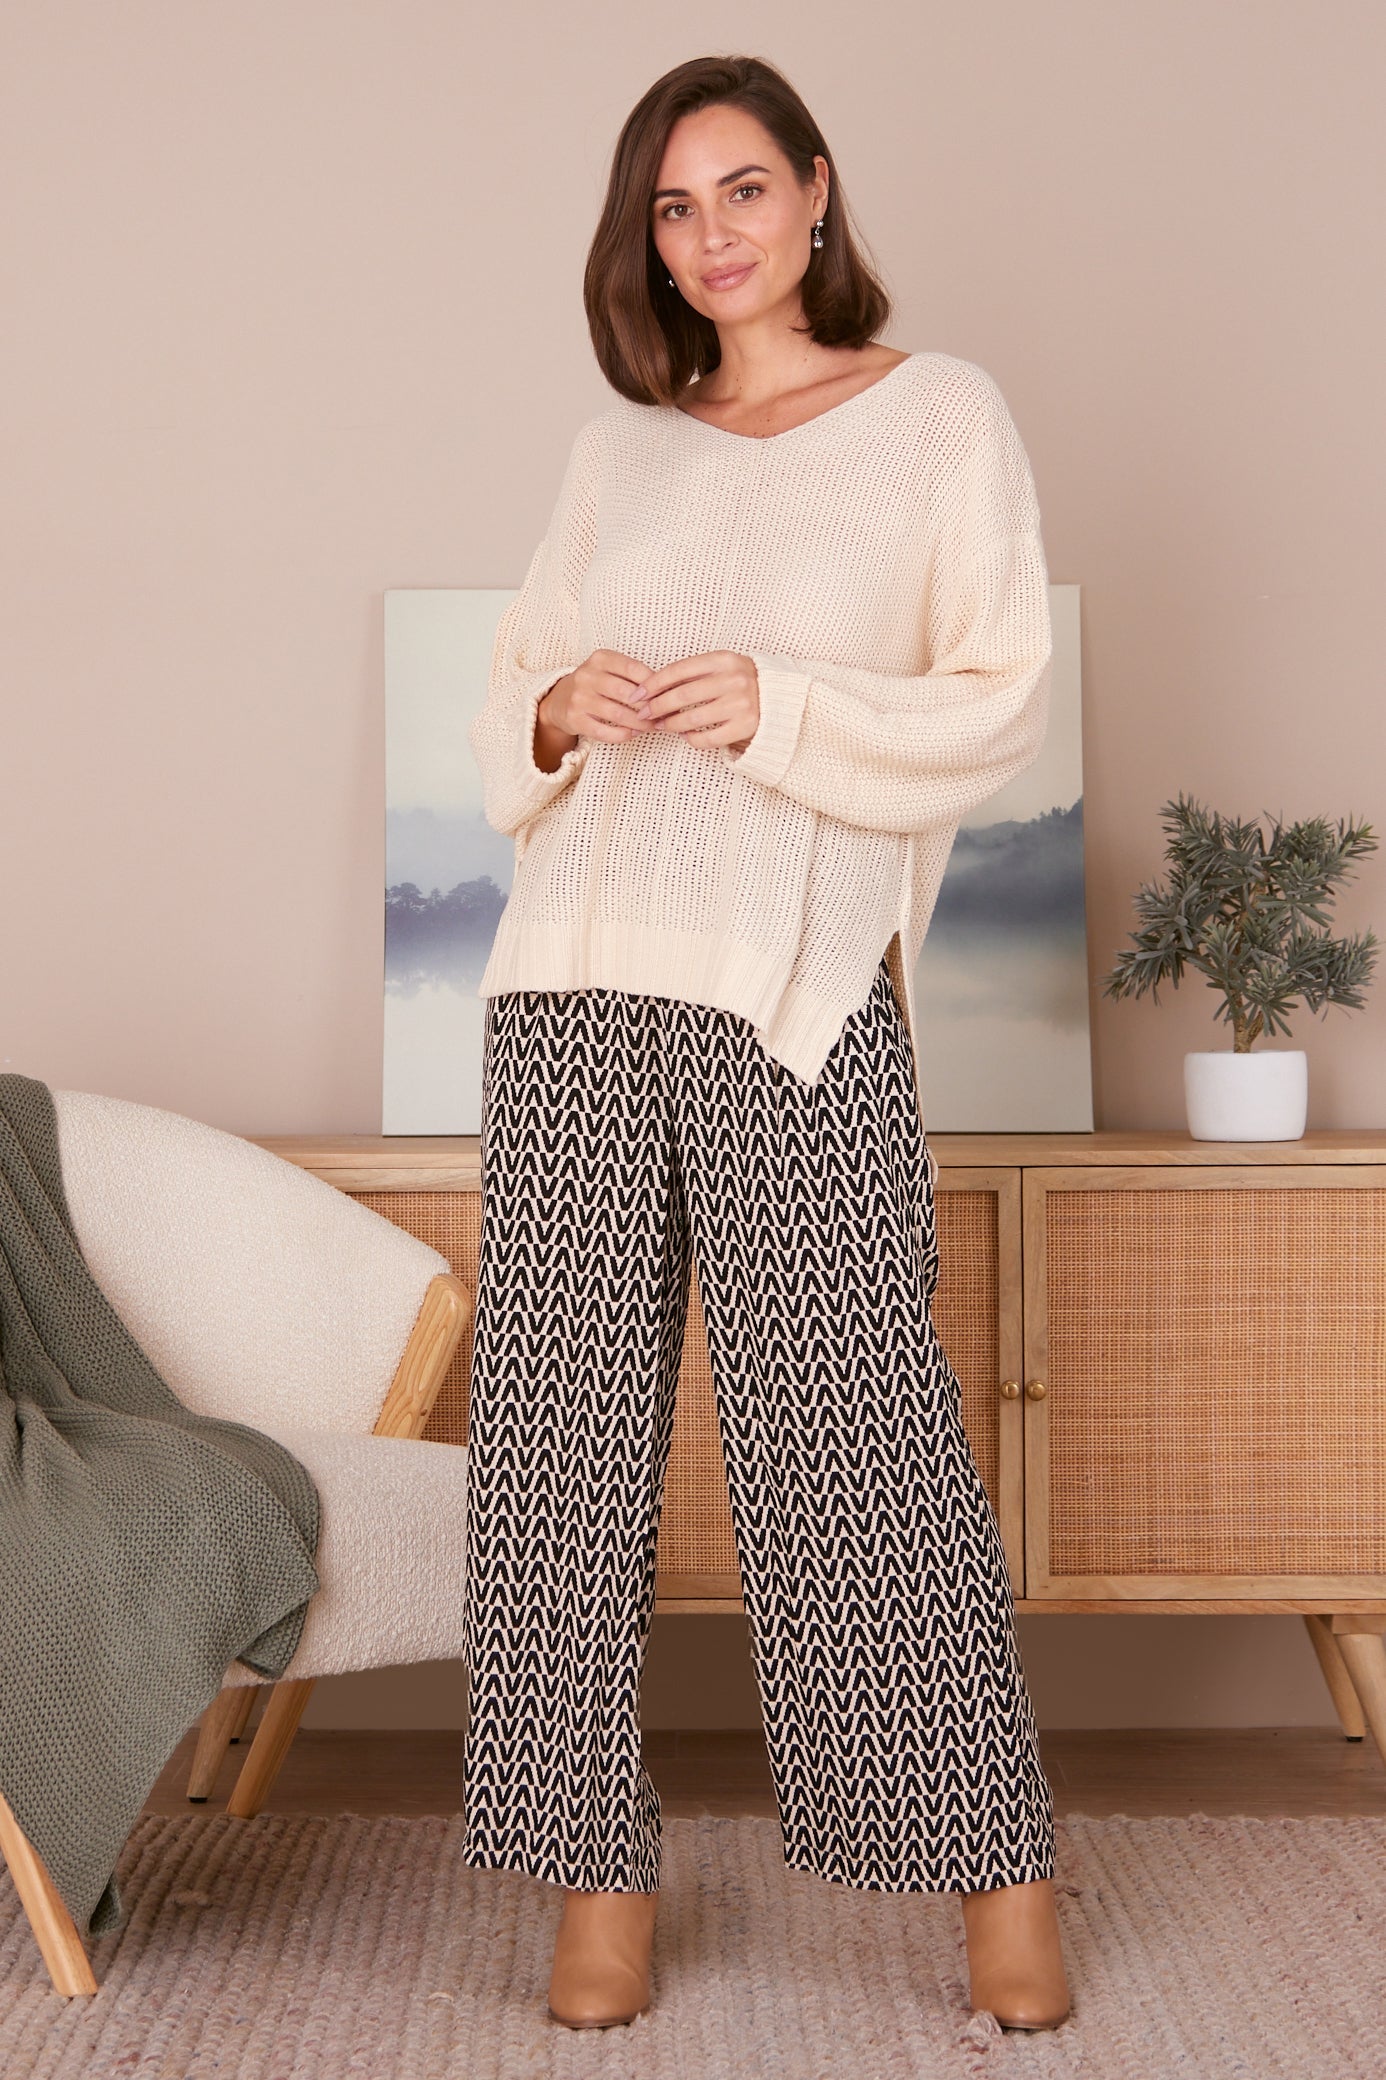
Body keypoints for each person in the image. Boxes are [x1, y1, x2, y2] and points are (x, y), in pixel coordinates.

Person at [463, 51, 1072, 2036]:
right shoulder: (617, 449)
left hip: (790, 986)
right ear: (645, 243)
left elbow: (998, 696)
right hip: (572, 973)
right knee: (554, 1449)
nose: (710, 233)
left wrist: (781, 704)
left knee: (855, 1432)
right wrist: (558, 707)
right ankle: (591, 1873)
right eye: (672, 206)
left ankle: (996, 1860)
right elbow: (513, 697)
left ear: (814, 192)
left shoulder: (938, 415)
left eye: (741, 189)